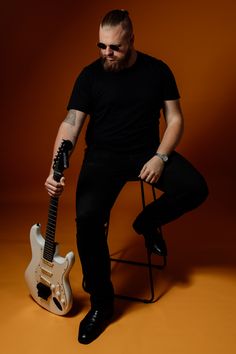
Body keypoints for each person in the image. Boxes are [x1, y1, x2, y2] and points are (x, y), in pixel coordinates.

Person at [45, 9, 208, 344]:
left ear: (132, 40)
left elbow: (175, 119)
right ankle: (102, 306)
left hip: (146, 153)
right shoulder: (90, 75)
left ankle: (147, 223)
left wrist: (161, 157)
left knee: (195, 188)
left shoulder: (157, 70)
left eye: (115, 47)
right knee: (88, 222)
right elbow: (71, 124)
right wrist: (55, 168)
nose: (108, 53)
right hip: (102, 158)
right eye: (102, 46)